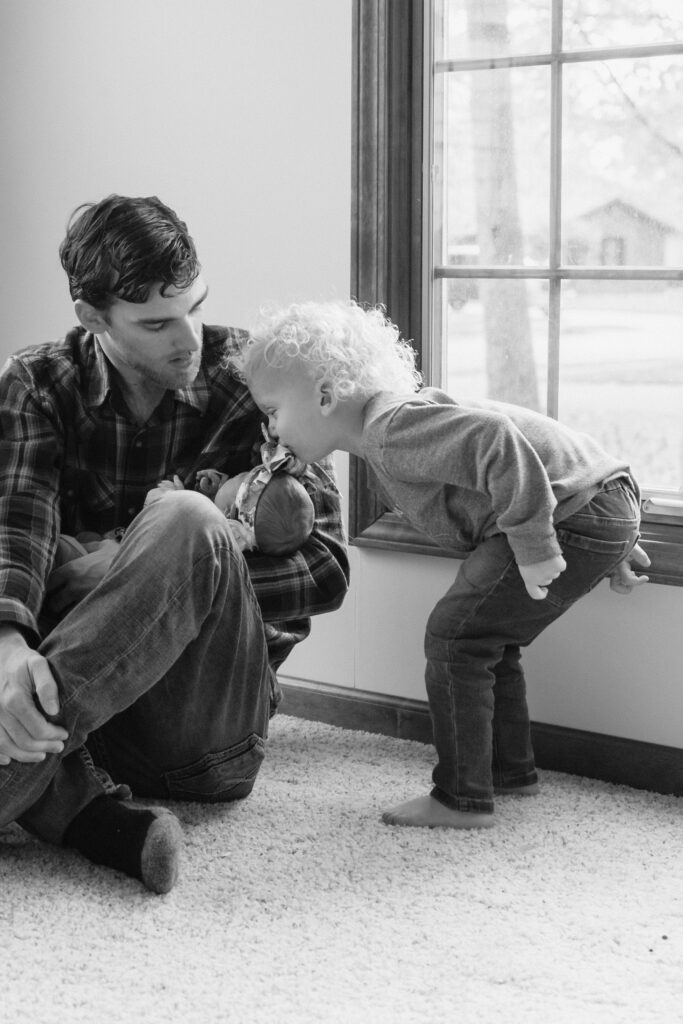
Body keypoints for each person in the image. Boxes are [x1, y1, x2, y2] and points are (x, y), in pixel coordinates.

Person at [0, 196, 349, 893]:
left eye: (195, 306)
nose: (188, 337)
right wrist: (8, 641)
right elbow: (17, 530)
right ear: (92, 319)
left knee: (187, 521)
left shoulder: (255, 380)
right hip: (94, 725)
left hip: (203, 736)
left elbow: (325, 569)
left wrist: (167, 571)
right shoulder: (37, 384)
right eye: (156, 323)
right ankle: (93, 819)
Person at [233, 298, 651, 830]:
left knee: (455, 638)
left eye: (272, 411)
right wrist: (612, 536)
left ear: (324, 396)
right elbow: (530, 455)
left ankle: (462, 798)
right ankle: (507, 770)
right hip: (592, 503)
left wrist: (537, 541)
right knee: (485, 638)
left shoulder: (390, 429)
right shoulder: (394, 424)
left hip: (577, 511)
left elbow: (498, 443)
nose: (270, 431)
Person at [147, 427, 316, 555]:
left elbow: (183, 528)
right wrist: (216, 493)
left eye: (238, 478)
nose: (234, 476)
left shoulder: (210, 538)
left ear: (229, 511)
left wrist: (175, 498)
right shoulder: (237, 529)